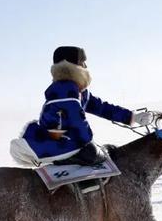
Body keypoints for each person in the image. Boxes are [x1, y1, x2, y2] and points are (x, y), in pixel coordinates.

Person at [10, 46, 153, 167]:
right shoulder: (64, 90)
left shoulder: (79, 92)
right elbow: (76, 119)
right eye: (82, 62)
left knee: (98, 154)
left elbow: (102, 108)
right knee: (95, 155)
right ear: (73, 66)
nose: (86, 66)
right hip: (58, 139)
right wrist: (87, 141)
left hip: (70, 137)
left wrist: (132, 117)